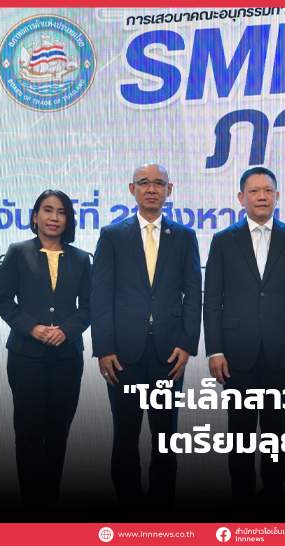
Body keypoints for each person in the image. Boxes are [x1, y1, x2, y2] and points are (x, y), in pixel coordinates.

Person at [204, 166, 285, 509]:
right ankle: (241, 501)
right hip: (235, 353)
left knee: (276, 433)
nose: (262, 196)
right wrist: (214, 350)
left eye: (268, 190)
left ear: (277, 196)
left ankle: (273, 500)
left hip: (281, 351)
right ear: (242, 198)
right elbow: (213, 300)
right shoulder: (223, 240)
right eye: (254, 191)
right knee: (239, 433)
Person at [91, 163, 202, 510]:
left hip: (169, 353)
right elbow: (100, 295)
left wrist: (187, 344)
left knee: (165, 437)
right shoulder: (113, 235)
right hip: (122, 353)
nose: (151, 189)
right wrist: (104, 348)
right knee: (125, 436)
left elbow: (193, 294)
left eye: (158, 183)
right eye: (144, 183)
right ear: (132, 189)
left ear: (170, 189)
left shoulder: (184, 236)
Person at [0, 189, 91, 507]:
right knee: (29, 433)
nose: (54, 217)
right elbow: (3, 299)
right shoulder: (18, 252)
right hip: (26, 356)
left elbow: (89, 306)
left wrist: (67, 331)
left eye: (61, 212)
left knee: (58, 434)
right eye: (47, 210)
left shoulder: (81, 258)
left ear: (69, 220)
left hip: (67, 357)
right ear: (35, 216)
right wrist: (32, 327)